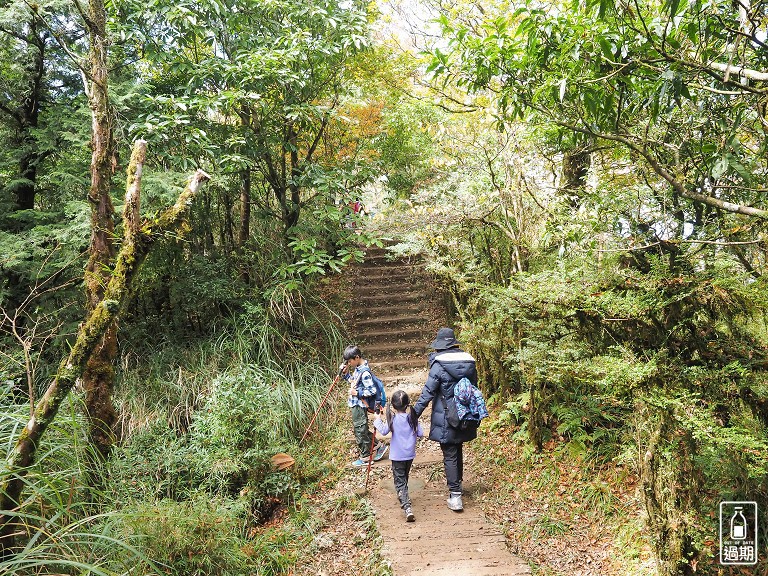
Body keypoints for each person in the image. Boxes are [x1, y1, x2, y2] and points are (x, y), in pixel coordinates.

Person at [412, 327, 478, 512]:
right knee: (457, 449)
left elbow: (428, 393)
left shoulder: (439, 365)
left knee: (449, 452)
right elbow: (474, 388)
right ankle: (458, 486)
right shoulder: (469, 363)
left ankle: (455, 496)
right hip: (465, 415)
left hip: (446, 416)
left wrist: (414, 414)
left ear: (440, 347)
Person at [374, 390, 423, 522]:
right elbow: (421, 433)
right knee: (404, 477)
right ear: (407, 405)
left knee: (399, 480)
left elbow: (383, 431)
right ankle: (403, 495)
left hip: (397, 456)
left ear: (393, 406)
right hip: (409, 454)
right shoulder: (411, 418)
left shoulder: (393, 419)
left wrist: (377, 418)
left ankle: (407, 507)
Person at [341, 345, 388, 467]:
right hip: (356, 404)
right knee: (361, 429)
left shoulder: (365, 372)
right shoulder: (358, 368)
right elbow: (354, 382)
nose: (349, 363)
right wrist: (346, 375)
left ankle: (366, 457)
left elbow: (371, 390)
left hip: (360, 404)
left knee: (360, 430)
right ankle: (377, 446)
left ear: (357, 357)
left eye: (350, 361)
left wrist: (357, 393)